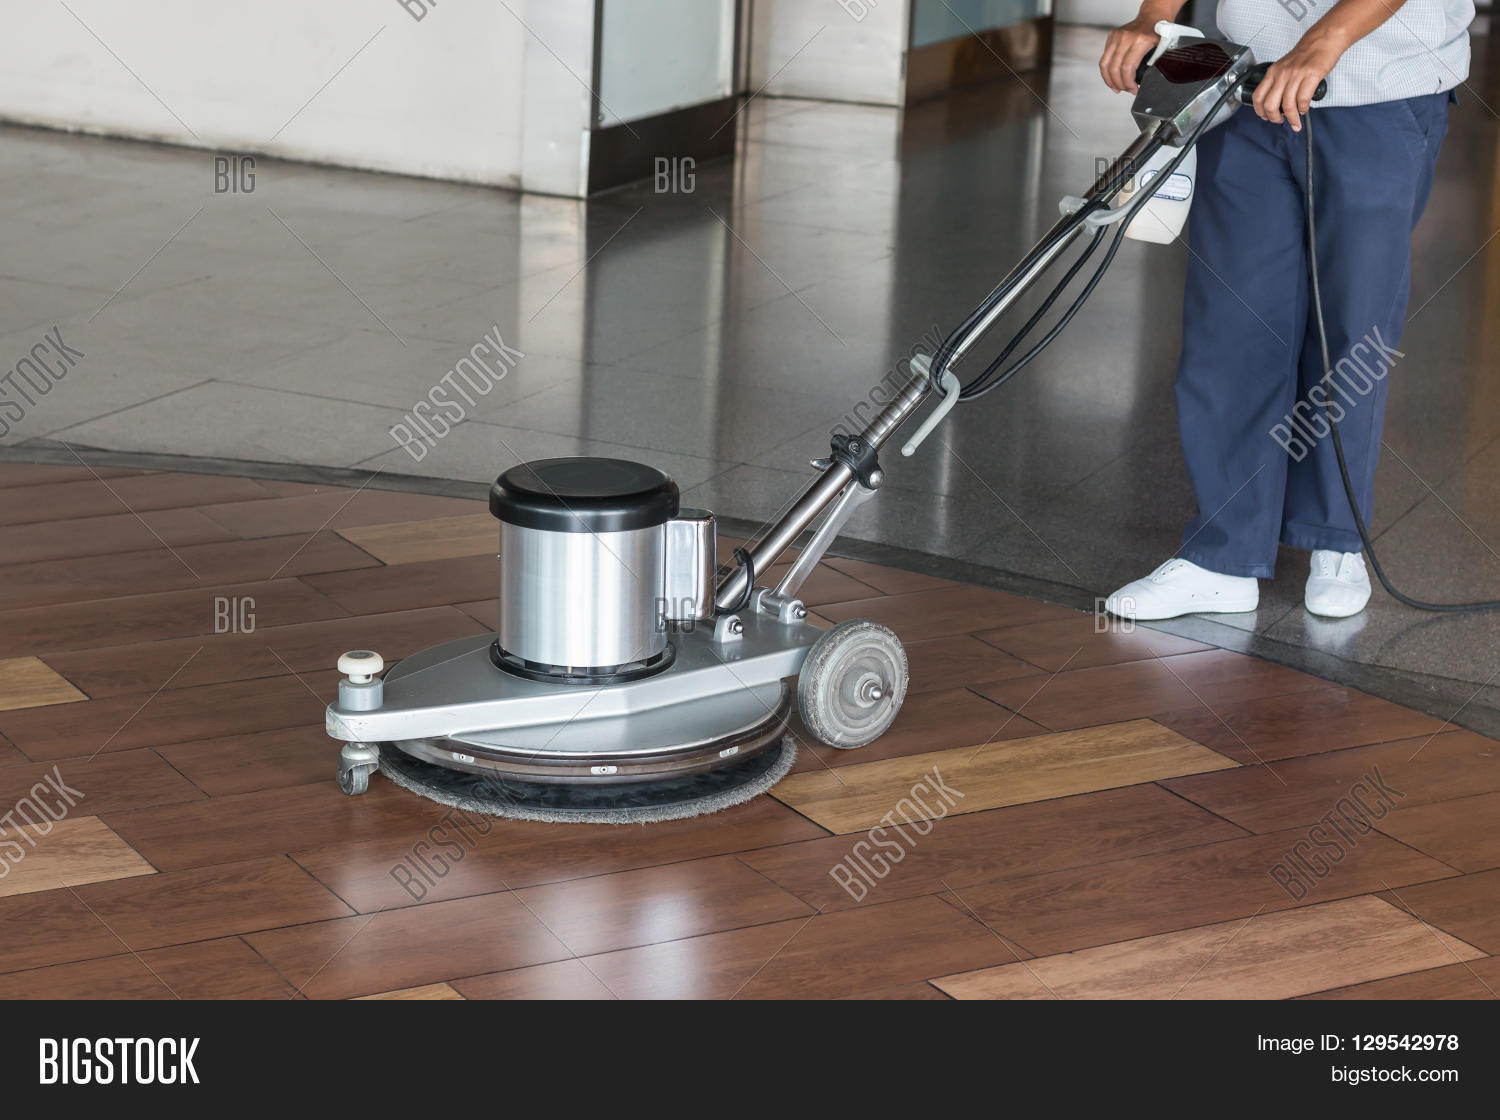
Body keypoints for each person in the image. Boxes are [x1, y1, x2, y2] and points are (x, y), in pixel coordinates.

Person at [1099, 0, 1472, 620]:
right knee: (1232, 324)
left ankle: (1336, 540)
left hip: (1382, 87)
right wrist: (1153, 16)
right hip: (1248, 84)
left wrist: (1321, 44)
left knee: (1352, 324)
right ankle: (1224, 555)